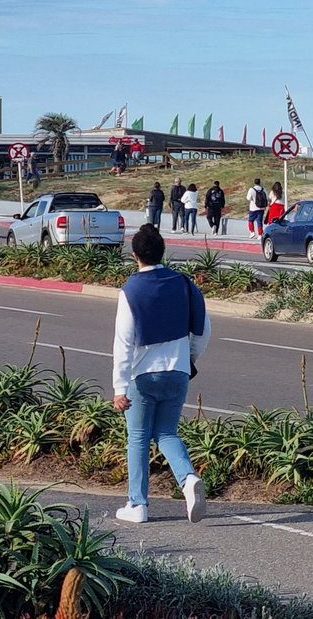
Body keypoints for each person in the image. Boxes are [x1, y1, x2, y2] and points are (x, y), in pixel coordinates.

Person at [111, 224, 211, 524]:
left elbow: (123, 342)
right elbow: (203, 328)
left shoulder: (130, 291)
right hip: (178, 372)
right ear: (162, 251)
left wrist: (119, 387)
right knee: (167, 432)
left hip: (144, 376)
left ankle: (137, 504)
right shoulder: (183, 283)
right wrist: (189, 358)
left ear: (135, 255)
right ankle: (188, 479)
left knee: (139, 436)